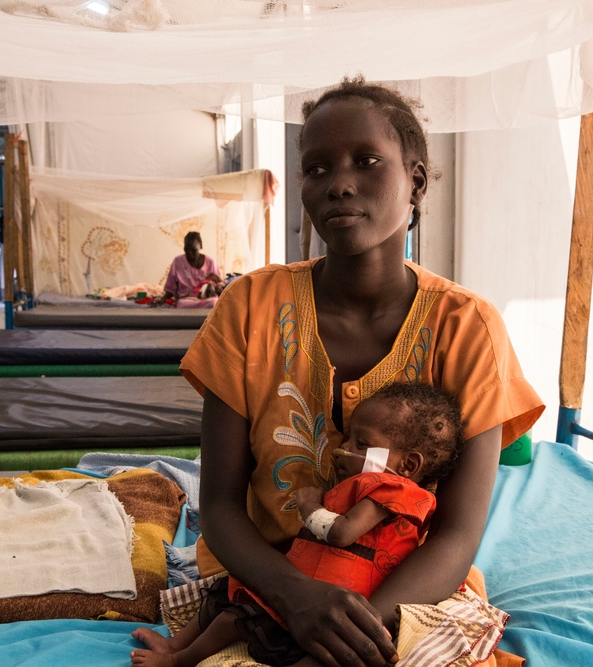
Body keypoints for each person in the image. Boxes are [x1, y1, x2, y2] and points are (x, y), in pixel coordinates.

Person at [177, 76, 545, 667]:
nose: (339, 184)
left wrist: (356, 632)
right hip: (267, 583)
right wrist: (295, 598)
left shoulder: (467, 327)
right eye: (317, 169)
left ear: (416, 182)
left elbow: (455, 535)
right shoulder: (249, 308)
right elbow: (218, 505)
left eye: (367, 161)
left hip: (409, 598)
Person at [131, 383, 467, 667]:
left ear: (407, 464)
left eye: (361, 444)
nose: (343, 449)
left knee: (234, 620)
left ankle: (178, 661)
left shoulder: (395, 491)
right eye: (349, 438)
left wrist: (309, 505)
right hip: (304, 580)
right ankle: (175, 646)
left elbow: (341, 533)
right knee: (222, 593)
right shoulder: (365, 482)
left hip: (336, 597)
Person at [163, 232, 223, 303]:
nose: (190, 254)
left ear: (201, 246)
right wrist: (164, 298)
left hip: (206, 300)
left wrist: (213, 287)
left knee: (214, 302)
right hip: (186, 300)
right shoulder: (178, 261)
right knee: (181, 303)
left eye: (194, 250)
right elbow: (170, 287)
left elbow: (220, 285)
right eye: (186, 250)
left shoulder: (210, 262)